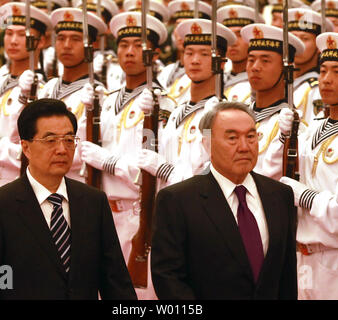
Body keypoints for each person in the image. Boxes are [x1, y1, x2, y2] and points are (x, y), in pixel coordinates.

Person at [0, 98, 137, 300]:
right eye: (50, 140)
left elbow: (116, 283)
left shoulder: (93, 202)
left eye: (69, 140)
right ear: (25, 148)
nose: (62, 149)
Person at [151, 101, 298, 300]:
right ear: (207, 143)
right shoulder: (178, 200)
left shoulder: (280, 195)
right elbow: (168, 278)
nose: (244, 147)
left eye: (251, 136)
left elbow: (286, 276)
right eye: (232, 138)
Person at [80, 11, 175, 300]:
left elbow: (148, 169)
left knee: (136, 297)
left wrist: (108, 162)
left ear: (153, 54)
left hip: (137, 213)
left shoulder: (162, 103)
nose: (129, 52)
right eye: (124, 45)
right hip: (101, 211)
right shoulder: (106, 101)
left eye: (138, 45)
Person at [265, 32, 338, 299]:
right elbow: (271, 177)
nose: (326, 80)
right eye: (322, 71)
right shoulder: (311, 131)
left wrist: (306, 197)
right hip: (302, 256)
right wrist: (282, 139)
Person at [137, 18, 236, 189]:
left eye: (204, 54)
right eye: (189, 53)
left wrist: (166, 171)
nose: (195, 60)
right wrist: (147, 120)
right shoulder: (177, 111)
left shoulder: (219, 114)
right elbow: (150, 154)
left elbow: (210, 176)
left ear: (221, 62)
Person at [0, 2, 51, 198]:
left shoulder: (43, 90)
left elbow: (34, 155)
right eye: (8, 33)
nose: (13, 41)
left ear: (40, 41)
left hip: (15, 184)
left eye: (22, 35)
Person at [39, 7, 107, 183]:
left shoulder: (97, 94)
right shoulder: (48, 88)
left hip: (77, 182)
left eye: (75, 39)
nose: (67, 45)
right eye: (61, 38)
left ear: (91, 46)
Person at [241, 23, 304, 174]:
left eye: (265, 61)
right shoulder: (241, 116)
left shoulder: (293, 127)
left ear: (287, 68)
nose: (255, 67)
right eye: (251, 60)